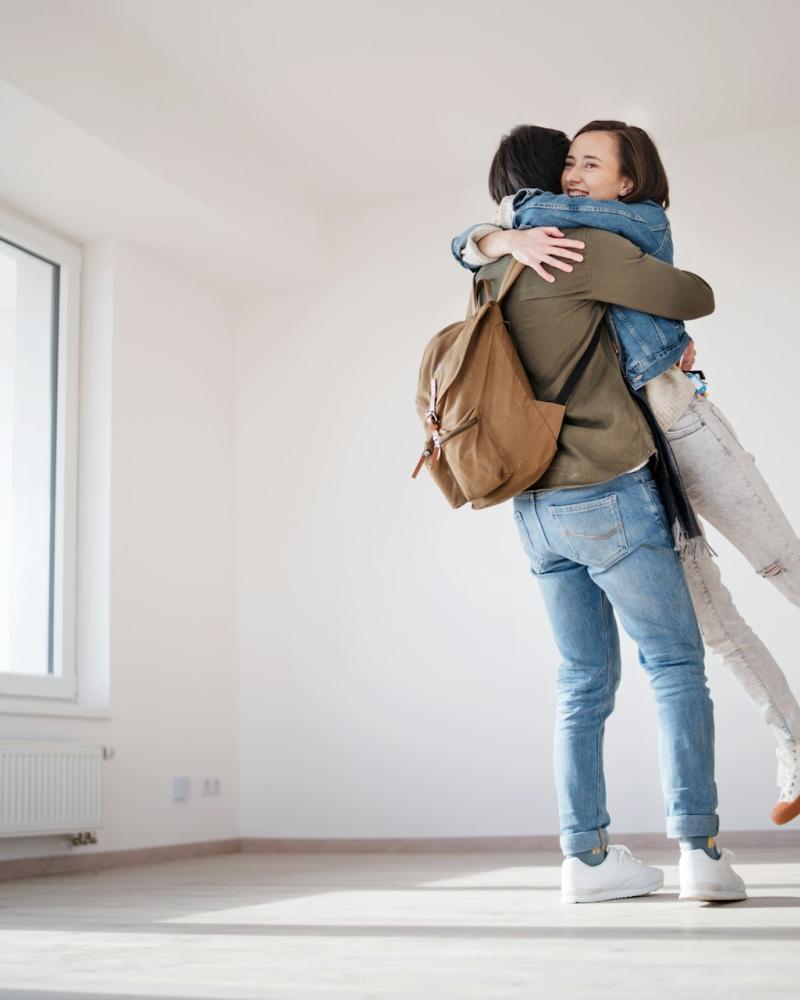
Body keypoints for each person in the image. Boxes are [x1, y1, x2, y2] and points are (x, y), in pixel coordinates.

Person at [453, 121, 800, 827]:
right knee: (716, 627)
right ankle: (793, 742)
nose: (574, 178)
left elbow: (690, 295)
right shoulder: (534, 257)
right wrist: (493, 237)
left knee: (780, 563)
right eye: (568, 165)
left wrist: (502, 228)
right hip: (636, 464)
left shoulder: (605, 234)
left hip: (681, 423)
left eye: (588, 164)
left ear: (626, 181)